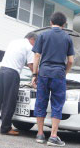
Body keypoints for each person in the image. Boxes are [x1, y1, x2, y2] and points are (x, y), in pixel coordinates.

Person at [32, 12, 74, 147]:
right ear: (64, 24)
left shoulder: (43, 35)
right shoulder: (67, 38)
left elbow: (37, 56)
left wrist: (34, 74)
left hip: (43, 73)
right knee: (57, 104)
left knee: (41, 102)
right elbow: (71, 61)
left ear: (51, 22)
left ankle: (39, 134)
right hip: (58, 74)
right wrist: (64, 73)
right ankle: (53, 136)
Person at [0, 32, 37, 135]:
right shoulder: (29, 46)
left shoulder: (14, 42)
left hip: (2, 71)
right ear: (32, 39)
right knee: (9, 101)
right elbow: (31, 65)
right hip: (12, 73)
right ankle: (5, 128)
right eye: (35, 42)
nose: (35, 45)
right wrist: (36, 74)